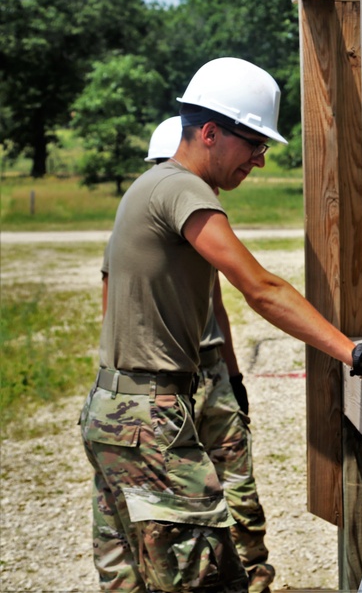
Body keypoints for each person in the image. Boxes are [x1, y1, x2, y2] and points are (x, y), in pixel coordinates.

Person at [80, 57, 362, 592]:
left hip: (118, 409)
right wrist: (350, 350)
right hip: (150, 418)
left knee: (132, 578)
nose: (259, 160)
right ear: (209, 133)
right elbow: (259, 287)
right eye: (254, 144)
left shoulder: (150, 186)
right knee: (207, 576)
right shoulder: (183, 190)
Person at [98, 115, 275, 592]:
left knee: (140, 547)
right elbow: (259, 288)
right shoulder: (172, 199)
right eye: (253, 145)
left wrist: (234, 377)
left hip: (196, 377)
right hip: (164, 391)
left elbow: (215, 303)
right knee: (189, 545)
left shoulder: (172, 211)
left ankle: (252, 575)